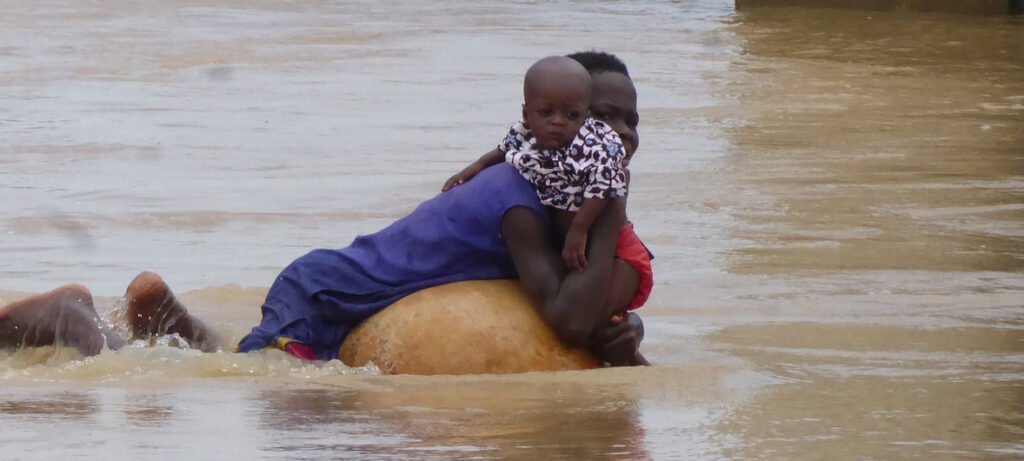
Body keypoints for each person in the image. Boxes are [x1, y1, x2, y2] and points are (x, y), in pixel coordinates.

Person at [0, 51, 649, 367]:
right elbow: (566, 314)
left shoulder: (550, 189)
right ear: (546, 120)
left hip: (341, 293)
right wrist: (614, 198)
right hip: (328, 292)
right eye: (598, 119)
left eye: (629, 122)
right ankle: (80, 327)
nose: (615, 136)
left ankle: (175, 322)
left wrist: (624, 328)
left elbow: (584, 295)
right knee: (255, 381)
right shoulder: (520, 202)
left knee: (238, 360)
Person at [442, 56, 654, 314]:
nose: (623, 131)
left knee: (600, 325)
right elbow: (504, 149)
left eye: (632, 122)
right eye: (605, 115)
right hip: (581, 258)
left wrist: (605, 207)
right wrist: (472, 169)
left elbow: (575, 318)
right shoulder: (533, 162)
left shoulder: (600, 171)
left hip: (622, 254)